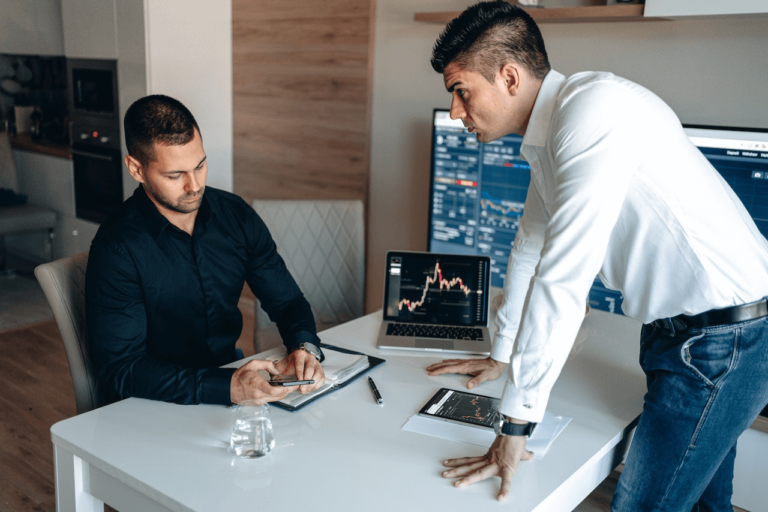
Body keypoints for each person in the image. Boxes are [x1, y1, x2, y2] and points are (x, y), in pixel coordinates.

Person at [424, 1, 768, 508]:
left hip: (726, 339)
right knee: (704, 504)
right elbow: (529, 251)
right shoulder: (551, 135)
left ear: (510, 77)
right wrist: (502, 353)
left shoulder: (592, 113)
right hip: (685, 334)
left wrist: (514, 423)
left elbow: (562, 280)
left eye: (461, 91)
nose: (456, 112)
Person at [86, 94, 325, 407]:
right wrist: (225, 387)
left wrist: (304, 347)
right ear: (136, 169)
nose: (194, 185)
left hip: (227, 382)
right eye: (175, 175)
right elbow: (122, 367)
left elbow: (288, 301)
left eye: (200, 166)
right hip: (149, 404)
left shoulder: (236, 216)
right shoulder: (116, 248)